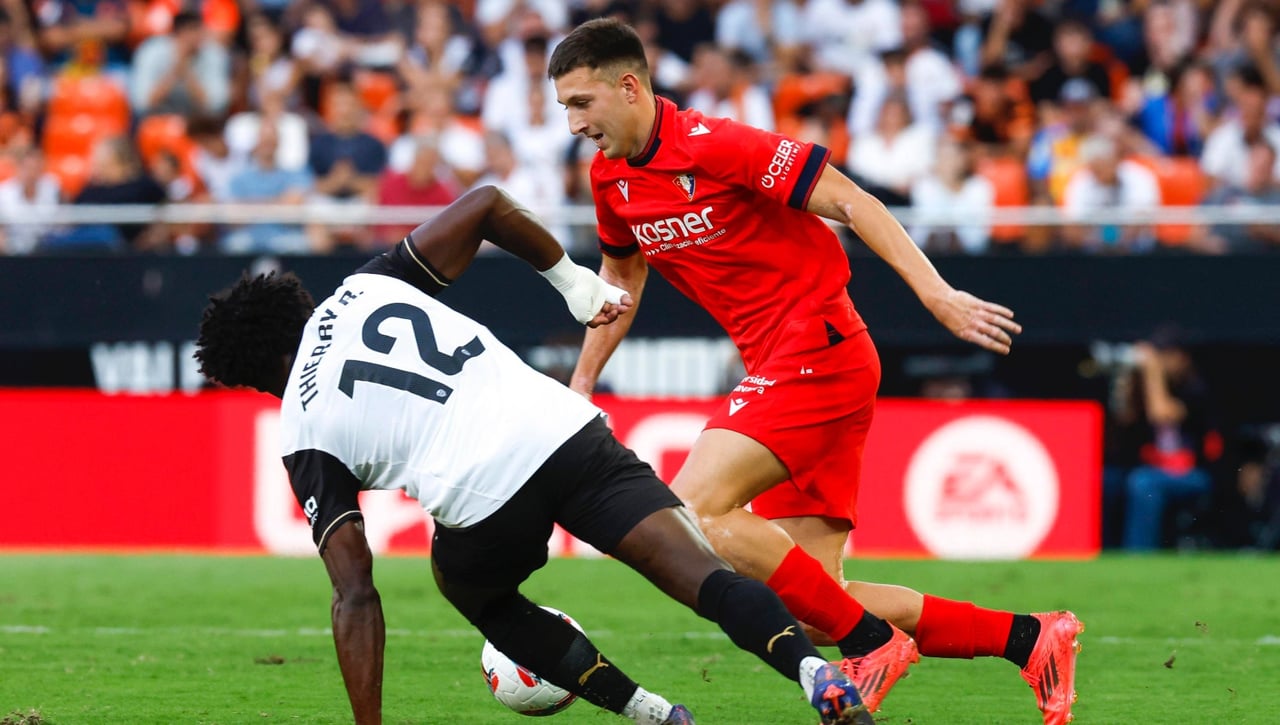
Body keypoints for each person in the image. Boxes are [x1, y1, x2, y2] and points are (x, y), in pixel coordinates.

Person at [548, 18, 1082, 724]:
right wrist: (583, 382)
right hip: (785, 361)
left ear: (629, 86)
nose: (575, 123)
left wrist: (937, 294)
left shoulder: (719, 144)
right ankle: (1033, 638)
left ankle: (875, 644)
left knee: (695, 517)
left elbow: (853, 201)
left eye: (582, 103)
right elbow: (620, 275)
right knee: (819, 604)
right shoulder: (609, 178)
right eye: (564, 109)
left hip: (818, 346)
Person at [193, 185, 874, 725]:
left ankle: (654, 712)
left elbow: (355, 591)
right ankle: (817, 674)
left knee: (474, 591)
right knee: (705, 578)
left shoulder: (301, 426)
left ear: (257, 374)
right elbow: (487, 202)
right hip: (566, 431)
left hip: (485, 496)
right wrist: (573, 282)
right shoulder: (366, 287)